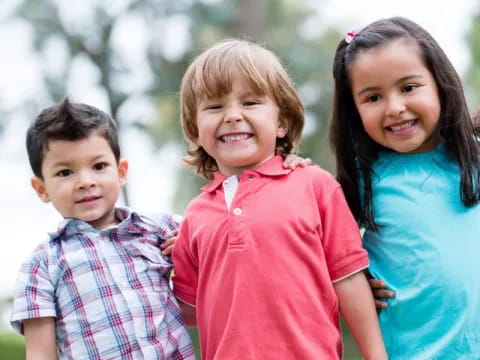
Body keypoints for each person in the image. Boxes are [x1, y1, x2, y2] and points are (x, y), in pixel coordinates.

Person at [172, 39, 387, 360]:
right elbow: (189, 310)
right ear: (195, 128)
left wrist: (376, 357)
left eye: (250, 103)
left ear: (282, 122)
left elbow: (349, 281)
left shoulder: (315, 186)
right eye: (215, 106)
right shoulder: (195, 215)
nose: (232, 116)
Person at [330, 16, 480, 359]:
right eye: (372, 98)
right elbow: (319, 246)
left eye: (409, 87)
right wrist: (354, 280)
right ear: (354, 111)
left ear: (440, 83)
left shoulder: (474, 157)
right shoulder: (363, 176)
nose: (395, 108)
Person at [10, 99, 195, 359]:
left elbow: (225, 249)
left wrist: (196, 246)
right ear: (42, 189)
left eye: (99, 167)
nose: (86, 182)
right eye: (65, 172)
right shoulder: (41, 267)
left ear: (121, 172)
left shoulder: (159, 230)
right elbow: (41, 354)